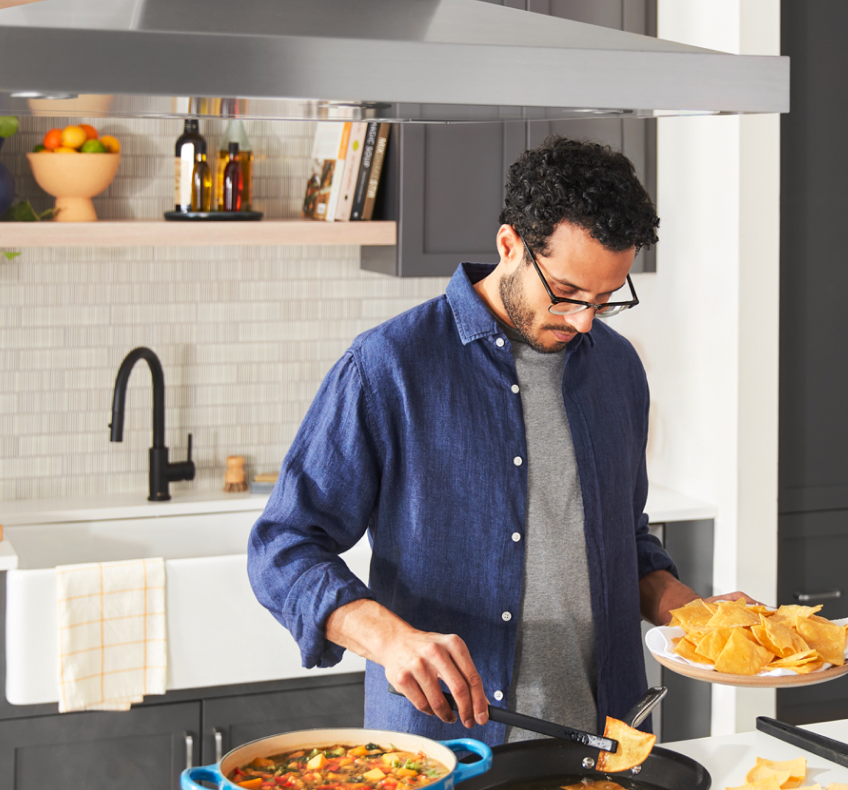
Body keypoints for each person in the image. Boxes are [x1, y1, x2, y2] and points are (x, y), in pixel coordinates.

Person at [248, 136, 751, 744]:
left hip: (603, 745)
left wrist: (697, 616)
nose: (583, 321)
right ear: (509, 245)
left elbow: (625, 542)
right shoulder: (390, 366)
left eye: (605, 300)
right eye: (566, 294)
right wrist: (389, 639)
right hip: (447, 751)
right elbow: (283, 548)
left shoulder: (618, 369)